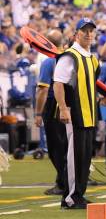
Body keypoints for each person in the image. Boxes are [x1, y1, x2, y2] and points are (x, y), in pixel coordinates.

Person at [53, 18, 100, 209]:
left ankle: (79, 193)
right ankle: (70, 196)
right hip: (76, 114)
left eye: (91, 31)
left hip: (90, 114)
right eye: (84, 31)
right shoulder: (69, 56)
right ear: (76, 34)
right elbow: (58, 84)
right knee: (75, 156)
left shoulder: (92, 58)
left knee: (85, 157)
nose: (88, 34)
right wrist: (63, 108)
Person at [35, 29, 67, 196]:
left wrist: (38, 114)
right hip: (69, 105)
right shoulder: (68, 57)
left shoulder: (49, 61)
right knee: (66, 145)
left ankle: (62, 183)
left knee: (56, 147)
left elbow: (42, 90)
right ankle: (67, 180)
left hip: (53, 104)